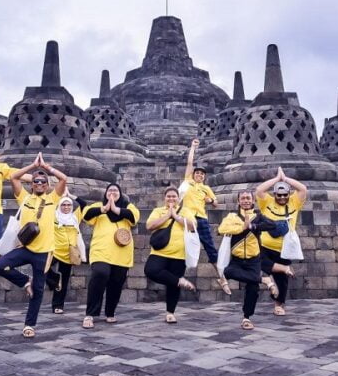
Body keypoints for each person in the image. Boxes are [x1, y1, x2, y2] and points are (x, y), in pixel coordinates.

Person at [0, 153, 67, 338]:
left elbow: (63, 179)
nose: (39, 184)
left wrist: (47, 168)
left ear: (47, 185)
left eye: (43, 182)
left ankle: (29, 325)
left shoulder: (53, 199)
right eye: (36, 182)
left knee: (39, 291)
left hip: (44, 252)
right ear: (31, 184)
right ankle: (25, 281)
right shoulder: (24, 198)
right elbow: (13, 177)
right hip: (25, 248)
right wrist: (33, 167)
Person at [81, 183, 140, 329]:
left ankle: (110, 312)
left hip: (121, 253)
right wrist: (104, 209)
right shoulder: (98, 206)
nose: (112, 192)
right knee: (100, 274)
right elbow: (86, 215)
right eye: (110, 190)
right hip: (100, 251)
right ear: (106, 193)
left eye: (115, 190)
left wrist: (115, 209)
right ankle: (90, 314)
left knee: (116, 283)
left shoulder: (128, 206)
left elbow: (133, 218)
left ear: (120, 193)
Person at [256, 166, 308, 316]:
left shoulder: (294, 202)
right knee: (258, 264)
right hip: (265, 245)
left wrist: (285, 179)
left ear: (289, 194)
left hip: (284, 248)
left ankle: (279, 305)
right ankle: (282, 269)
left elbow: (303, 189)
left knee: (282, 281)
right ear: (274, 194)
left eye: (285, 195)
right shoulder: (267, 202)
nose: (282, 198)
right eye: (279, 195)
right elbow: (259, 190)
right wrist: (276, 179)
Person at [181, 138, 230, 294]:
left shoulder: (206, 188)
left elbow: (215, 203)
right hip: (187, 218)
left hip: (201, 219)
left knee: (210, 247)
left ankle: (221, 277)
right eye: (198, 173)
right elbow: (189, 164)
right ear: (193, 175)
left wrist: (210, 200)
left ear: (204, 177)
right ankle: (178, 277)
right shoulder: (188, 181)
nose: (199, 175)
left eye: (202, 174)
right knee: (182, 247)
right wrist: (193, 147)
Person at [144, 187, 197, 324]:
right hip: (159, 252)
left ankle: (170, 312)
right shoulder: (158, 211)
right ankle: (180, 280)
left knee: (172, 286)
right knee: (150, 270)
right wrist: (167, 215)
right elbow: (150, 226)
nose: (171, 199)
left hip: (179, 255)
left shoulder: (186, 211)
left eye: (174, 196)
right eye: (169, 196)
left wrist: (176, 217)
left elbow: (192, 226)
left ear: (178, 198)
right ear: (164, 198)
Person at [218, 190, 263, 330]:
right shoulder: (232, 216)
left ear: (253, 201)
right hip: (237, 258)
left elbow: (271, 226)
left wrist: (253, 226)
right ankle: (263, 279)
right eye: (242, 198)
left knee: (253, 287)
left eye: (248, 198)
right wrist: (242, 227)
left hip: (253, 258)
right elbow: (222, 228)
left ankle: (246, 317)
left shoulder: (259, 217)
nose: (245, 200)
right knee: (228, 272)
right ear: (238, 201)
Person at [45, 195, 84, 314]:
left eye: (68, 205)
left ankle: (58, 306)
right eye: (63, 204)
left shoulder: (75, 217)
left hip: (69, 253)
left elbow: (84, 205)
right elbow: (48, 205)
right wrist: (58, 197)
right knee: (42, 268)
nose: (66, 207)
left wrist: (72, 196)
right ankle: (54, 280)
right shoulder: (54, 216)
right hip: (55, 251)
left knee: (64, 281)